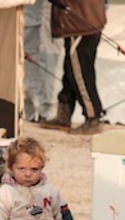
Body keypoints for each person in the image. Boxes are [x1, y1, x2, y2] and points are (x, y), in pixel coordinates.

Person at [39, 0, 107, 135]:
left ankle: (93, 117)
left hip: (80, 23)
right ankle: (64, 114)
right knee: (70, 70)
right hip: (82, 21)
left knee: (80, 74)